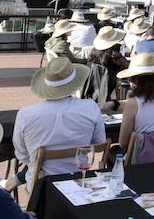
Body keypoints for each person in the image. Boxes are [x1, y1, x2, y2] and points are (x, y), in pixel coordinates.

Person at [7, 57, 106, 188]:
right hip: (79, 180)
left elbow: (22, 154)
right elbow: (99, 144)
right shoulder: (90, 107)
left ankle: (8, 184)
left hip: (40, 185)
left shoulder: (26, 114)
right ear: (74, 84)